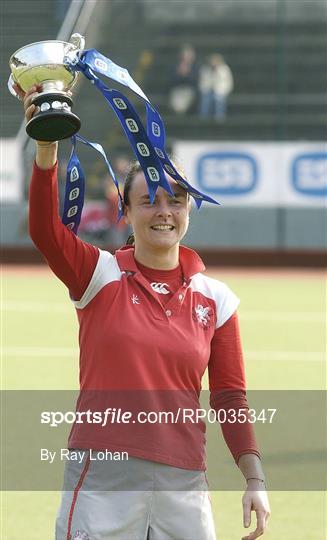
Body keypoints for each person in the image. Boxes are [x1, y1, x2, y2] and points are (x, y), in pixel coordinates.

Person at [19, 83, 270, 540]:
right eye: (148, 199)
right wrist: (46, 147)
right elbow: (44, 230)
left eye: (175, 199)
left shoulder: (217, 299)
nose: (164, 210)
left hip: (184, 481)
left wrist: (254, 477)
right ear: (127, 212)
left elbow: (230, 398)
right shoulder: (99, 274)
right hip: (103, 473)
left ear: (189, 209)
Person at [199, 54, 234, 121]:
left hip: (221, 91)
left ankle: (219, 119)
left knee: (219, 100)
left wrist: (223, 92)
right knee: (205, 100)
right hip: (207, 91)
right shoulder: (205, 70)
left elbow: (228, 83)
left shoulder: (224, 70)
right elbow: (202, 83)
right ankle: (203, 119)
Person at [169, 44, 199, 115]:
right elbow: (172, 80)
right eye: (185, 55)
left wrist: (187, 75)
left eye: (189, 55)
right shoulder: (176, 66)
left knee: (184, 101)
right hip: (177, 89)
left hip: (189, 89)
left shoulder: (195, 67)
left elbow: (195, 81)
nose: (186, 57)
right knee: (175, 102)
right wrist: (180, 74)